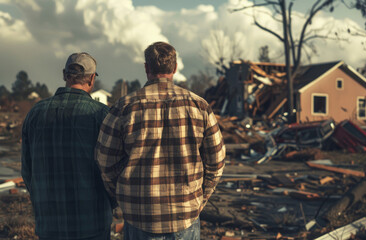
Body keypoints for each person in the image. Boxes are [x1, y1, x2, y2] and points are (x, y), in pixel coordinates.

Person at [95, 42, 225, 240]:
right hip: (185, 217)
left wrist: (123, 196)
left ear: (146, 68)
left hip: (139, 216)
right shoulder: (199, 106)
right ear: (174, 68)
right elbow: (216, 161)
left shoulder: (123, 108)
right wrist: (200, 198)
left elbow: (104, 161)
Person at [21, 52, 113, 240]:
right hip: (92, 223)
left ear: (64, 75)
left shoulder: (35, 113)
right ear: (92, 78)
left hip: (49, 224)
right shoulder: (102, 114)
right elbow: (112, 171)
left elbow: (27, 170)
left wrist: (43, 200)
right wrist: (109, 204)